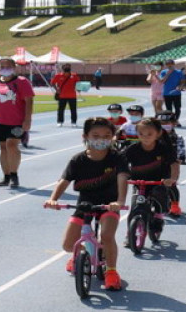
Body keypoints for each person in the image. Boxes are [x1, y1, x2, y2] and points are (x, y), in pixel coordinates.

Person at [44, 117, 130, 291]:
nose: (101, 139)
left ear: (113, 137)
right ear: (85, 136)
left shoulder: (117, 158)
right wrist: (53, 199)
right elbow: (64, 180)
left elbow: (123, 178)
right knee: (68, 245)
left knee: (106, 236)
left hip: (108, 205)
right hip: (84, 205)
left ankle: (112, 272)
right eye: (96, 135)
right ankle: (82, 254)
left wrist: (119, 201)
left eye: (107, 136)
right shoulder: (78, 160)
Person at [119, 118, 179, 242]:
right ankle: (129, 235)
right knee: (135, 206)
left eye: (149, 134)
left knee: (160, 197)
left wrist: (172, 179)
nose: (145, 137)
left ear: (158, 134)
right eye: (141, 134)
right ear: (137, 134)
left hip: (159, 181)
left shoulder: (164, 148)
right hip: (139, 182)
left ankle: (158, 217)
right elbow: (120, 162)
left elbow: (174, 164)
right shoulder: (132, 149)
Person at [0, 58, 34, 188]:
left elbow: (29, 101)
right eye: (2, 66)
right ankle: (6, 177)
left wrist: (27, 119)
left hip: (16, 121)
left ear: (14, 67)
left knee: (12, 145)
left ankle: (14, 175)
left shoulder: (22, 82)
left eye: (8, 66)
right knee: (3, 147)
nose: (5, 68)